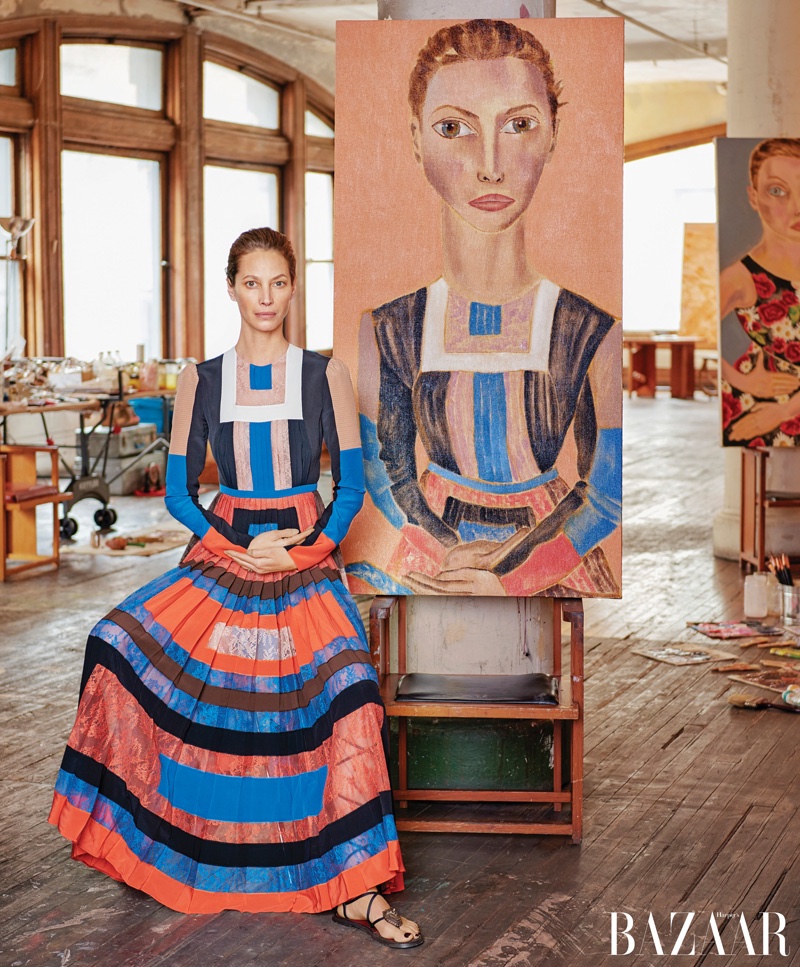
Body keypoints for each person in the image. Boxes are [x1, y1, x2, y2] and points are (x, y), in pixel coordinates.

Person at [49, 228, 422, 949]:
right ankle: (163, 841)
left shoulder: (325, 376)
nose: (266, 298)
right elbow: (183, 494)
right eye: (252, 283)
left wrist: (305, 551)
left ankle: (356, 884)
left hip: (303, 554)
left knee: (346, 694)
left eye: (278, 283)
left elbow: (350, 486)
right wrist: (237, 547)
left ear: (292, 288)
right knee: (121, 646)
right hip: (227, 549)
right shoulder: (201, 379)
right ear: (231, 288)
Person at [353, 19, 622, 598]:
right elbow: (382, 467)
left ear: (554, 132)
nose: (490, 164)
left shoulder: (590, 330)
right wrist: (448, 555)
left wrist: (511, 573)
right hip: (426, 560)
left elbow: (606, 491)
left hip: (553, 556)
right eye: (453, 128)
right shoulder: (388, 328)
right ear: (415, 137)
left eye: (519, 124)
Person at [719, 138, 800, 446]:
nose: (797, 207)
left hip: (781, 412)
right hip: (756, 410)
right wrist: (742, 380)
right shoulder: (740, 278)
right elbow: (706, 337)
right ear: (753, 197)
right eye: (777, 191)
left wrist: (784, 411)